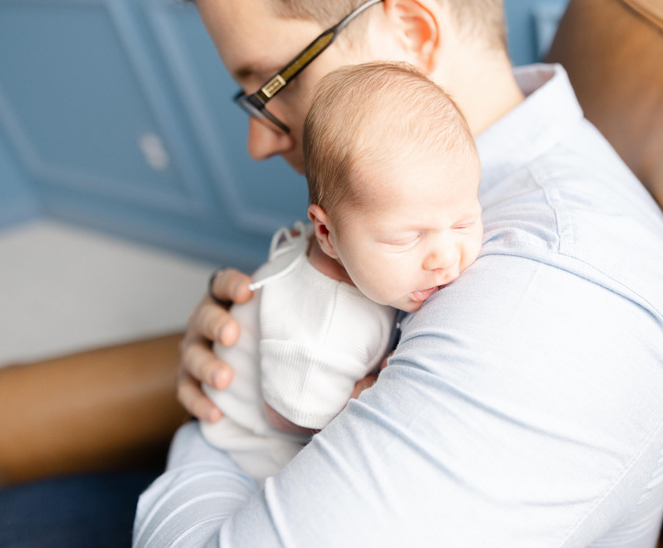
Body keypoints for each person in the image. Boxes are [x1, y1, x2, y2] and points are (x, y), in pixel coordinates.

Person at [135, 0, 663, 546]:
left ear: (412, 35)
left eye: (274, 85)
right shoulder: (407, 190)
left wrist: (213, 436)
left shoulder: (546, 302)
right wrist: (245, 348)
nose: (258, 145)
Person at [200, 61, 483, 485]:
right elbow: (287, 413)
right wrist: (362, 394)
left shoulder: (375, 256)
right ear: (327, 233)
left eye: (463, 222)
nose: (445, 257)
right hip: (251, 443)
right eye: (405, 238)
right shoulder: (327, 331)